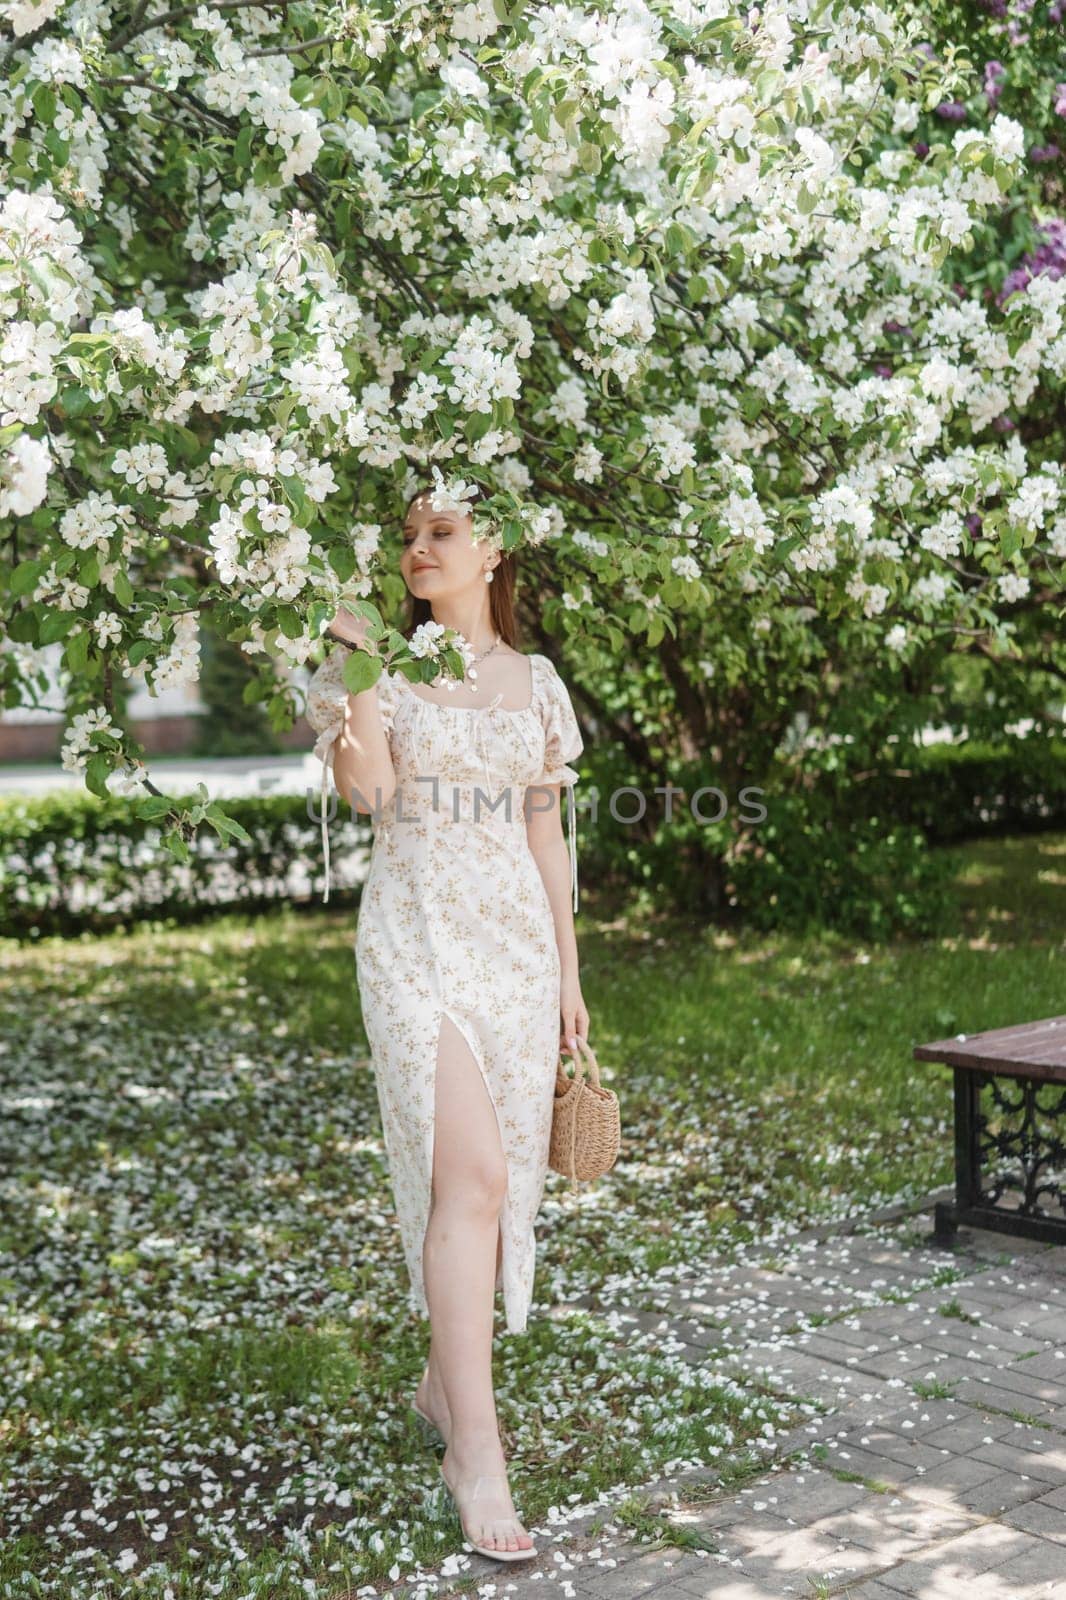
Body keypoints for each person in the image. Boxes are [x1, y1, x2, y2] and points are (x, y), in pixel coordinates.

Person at [304, 483, 589, 1562]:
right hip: (414, 940)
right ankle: (477, 1446)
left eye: (443, 532)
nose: (420, 549)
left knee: (496, 1178)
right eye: (409, 534)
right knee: (465, 1177)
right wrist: (364, 671)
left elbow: (546, 836)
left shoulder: (536, 682)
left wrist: (569, 974)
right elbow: (372, 794)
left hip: (516, 950)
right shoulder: (373, 664)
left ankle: (440, 1383)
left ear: (493, 544)